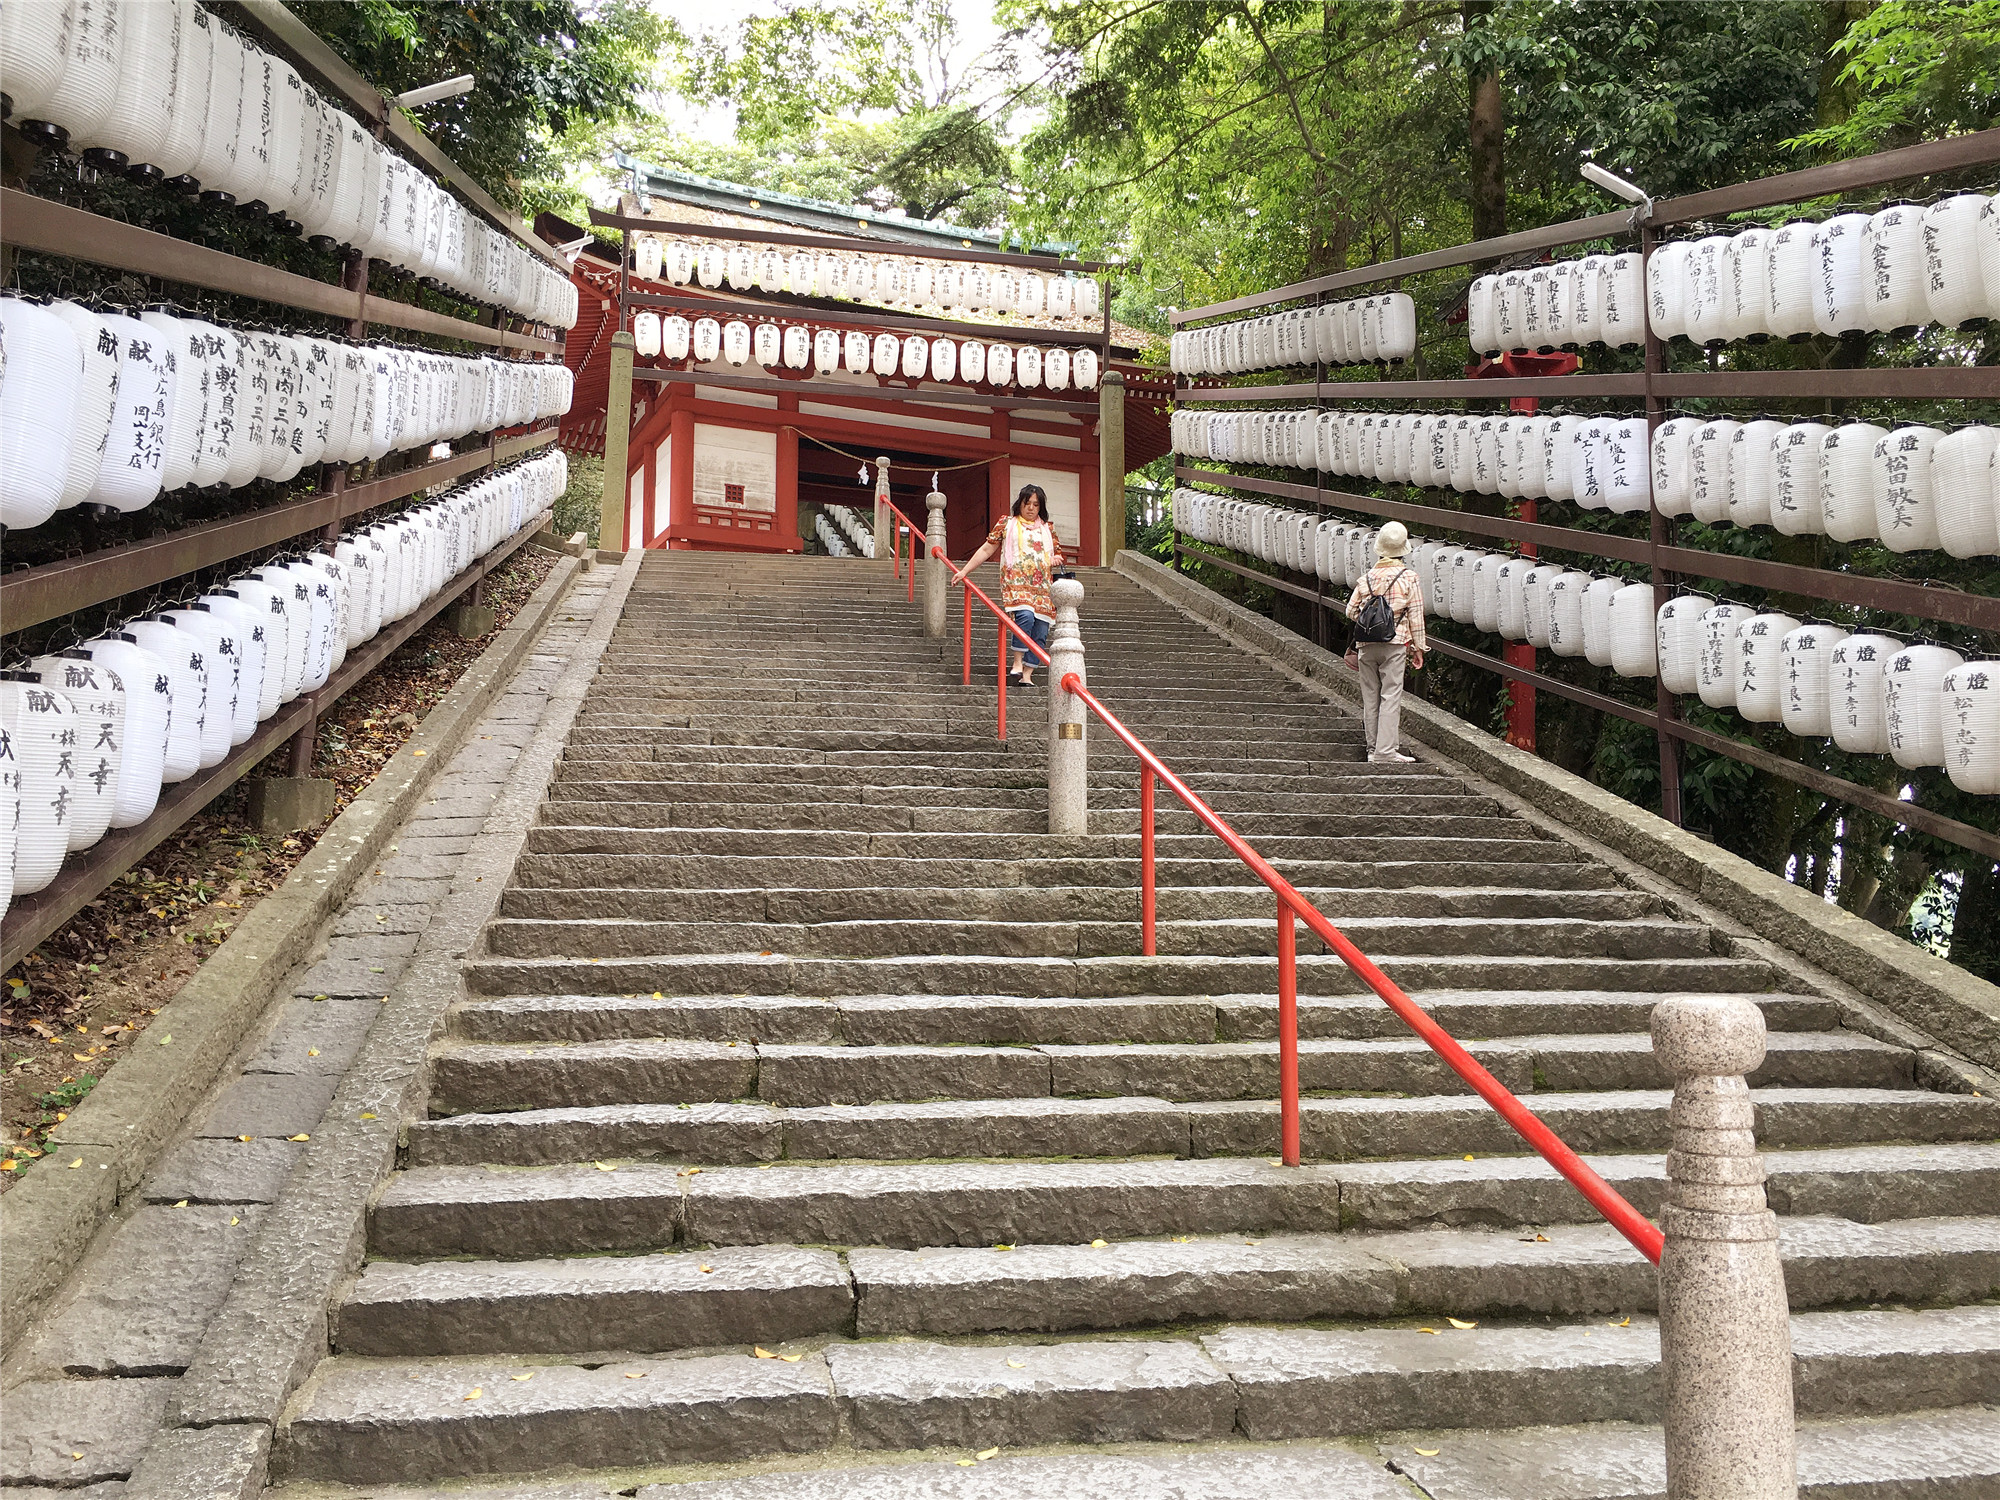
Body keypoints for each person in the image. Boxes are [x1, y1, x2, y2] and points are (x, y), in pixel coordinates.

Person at [951, 484, 1064, 686]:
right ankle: (1017, 663)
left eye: (1035, 505)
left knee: (1040, 631)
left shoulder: (1048, 529)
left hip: (1043, 588)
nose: (1030, 508)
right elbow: (987, 549)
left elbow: (1057, 554)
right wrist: (964, 571)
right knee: (1025, 617)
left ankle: (1027, 675)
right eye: (1027, 503)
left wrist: (1056, 559)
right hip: (1016, 584)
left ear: (1041, 508)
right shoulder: (1007, 524)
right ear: (1019, 504)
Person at [1343, 521, 1426, 764]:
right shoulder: (1409, 578)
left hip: (1366, 645)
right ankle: (1386, 751)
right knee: (1391, 695)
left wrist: (1371, 621)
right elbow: (1416, 615)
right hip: (1395, 642)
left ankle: (1372, 749)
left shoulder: (1366, 578)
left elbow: (1350, 610)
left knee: (1371, 696)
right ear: (1403, 549)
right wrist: (1419, 647)